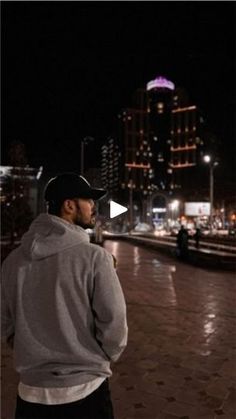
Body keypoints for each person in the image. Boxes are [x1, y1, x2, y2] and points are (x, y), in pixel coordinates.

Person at [1, 173, 128, 419]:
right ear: (69, 205)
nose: (94, 207)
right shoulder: (95, 259)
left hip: (31, 395)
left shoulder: (12, 262)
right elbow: (114, 322)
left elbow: (5, 324)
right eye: (88, 200)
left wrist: (29, 349)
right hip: (87, 392)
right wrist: (101, 357)